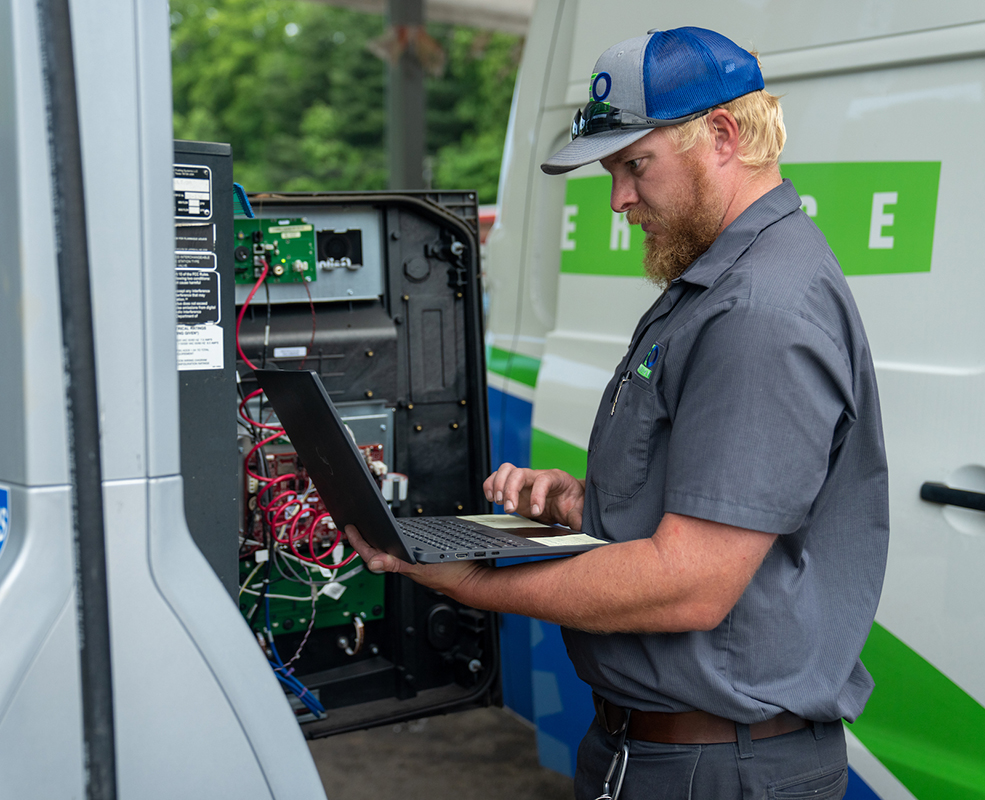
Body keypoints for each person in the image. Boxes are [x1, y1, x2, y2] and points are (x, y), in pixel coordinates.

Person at [347, 25, 889, 800]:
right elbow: (710, 509)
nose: (618, 199)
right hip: (676, 755)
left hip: (714, 770)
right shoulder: (718, 283)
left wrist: (465, 578)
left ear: (724, 136)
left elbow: (689, 585)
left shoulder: (757, 310)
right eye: (611, 171)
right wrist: (588, 502)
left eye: (635, 166)